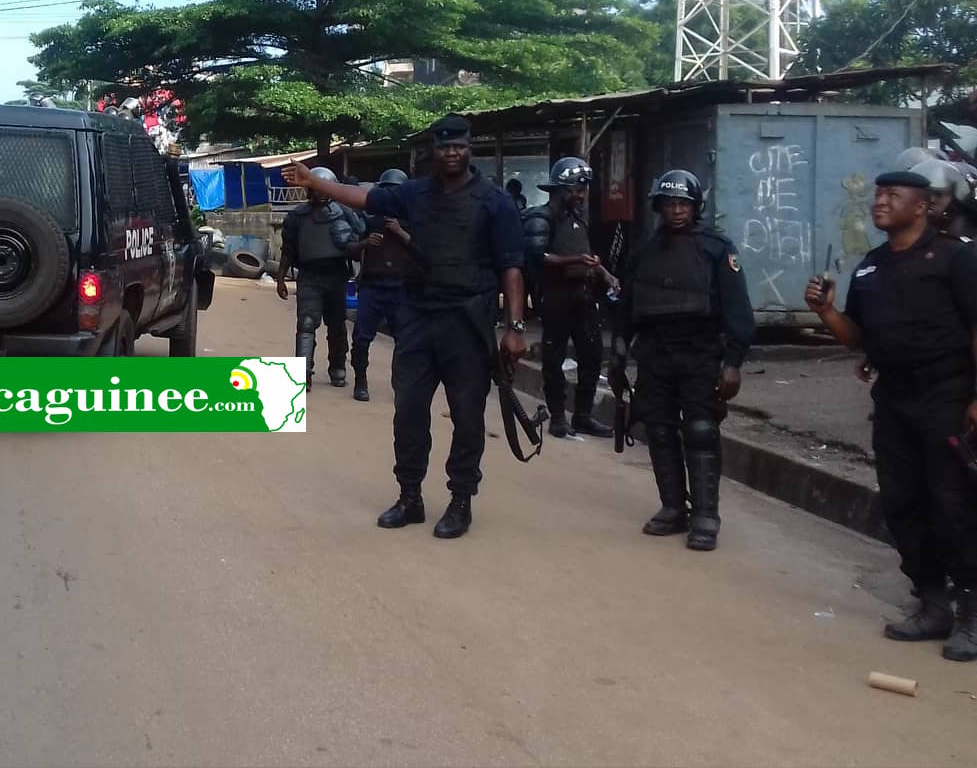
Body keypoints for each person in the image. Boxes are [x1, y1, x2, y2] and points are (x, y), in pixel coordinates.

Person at [283, 116, 527, 539]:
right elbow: (363, 198)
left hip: (467, 322)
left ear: (471, 149)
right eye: (445, 146)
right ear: (434, 150)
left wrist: (516, 327)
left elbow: (512, 267)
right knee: (409, 411)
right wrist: (316, 182)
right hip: (418, 317)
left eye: (460, 146)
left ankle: (460, 500)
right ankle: (410, 496)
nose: (452, 152)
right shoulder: (415, 194)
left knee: (468, 417)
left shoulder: (494, 202)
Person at [804, 170, 977, 662]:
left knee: (954, 505)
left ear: (921, 206)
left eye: (891, 195)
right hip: (895, 402)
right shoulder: (871, 268)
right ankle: (932, 602)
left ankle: (972, 612)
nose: (879, 202)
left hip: (946, 396)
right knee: (903, 503)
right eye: (878, 194)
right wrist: (828, 313)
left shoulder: (956, 258)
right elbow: (859, 339)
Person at [610, 169, 753, 552]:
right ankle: (673, 507)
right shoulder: (644, 251)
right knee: (658, 430)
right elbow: (626, 309)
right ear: (659, 206)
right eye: (670, 203)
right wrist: (619, 352)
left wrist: (733, 362)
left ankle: (706, 515)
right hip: (655, 354)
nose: (676, 210)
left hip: (700, 353)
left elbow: (739, 311)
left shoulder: (716, 249)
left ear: (695, 207)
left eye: (683, 204)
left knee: (701, 431)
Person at [537, 156, 618, 439]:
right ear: (560, 189)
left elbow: (589, 256)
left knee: (592, 357)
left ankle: (583, 415)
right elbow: (536, 256)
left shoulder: (580, 220)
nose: (580, 195)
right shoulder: (541, 218)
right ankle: (558, 417)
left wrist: (605, 274)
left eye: (583, 189)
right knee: (554, 359)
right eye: (575, 189)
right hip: (556, 298)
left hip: (583, 298)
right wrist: (571, 261)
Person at [278, 167, 365, 391]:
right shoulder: (297, 217)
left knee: (337, 327)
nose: (318, 193)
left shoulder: (343, 212)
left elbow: (358, 240)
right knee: (306, 324)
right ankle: (302, 373)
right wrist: (280, 278)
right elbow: (288, 248)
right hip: (309, 276)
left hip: (336, 275)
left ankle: (338, 368)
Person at [349, 168, 414, 403]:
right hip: (372, 286)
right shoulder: (370, 221)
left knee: (405, 342)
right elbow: (352, 251)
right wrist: (366, 242)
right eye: (387, 192)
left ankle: (401, 386)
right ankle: (360, 381)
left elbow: (423, 251)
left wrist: (400, 232)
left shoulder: (412, 222)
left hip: (401, 288)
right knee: (361, 339)